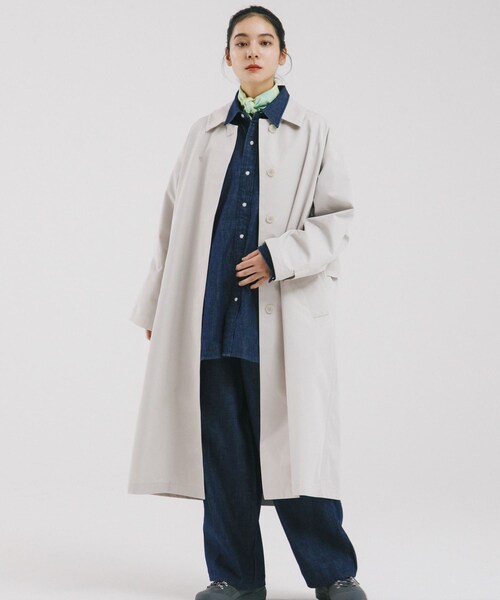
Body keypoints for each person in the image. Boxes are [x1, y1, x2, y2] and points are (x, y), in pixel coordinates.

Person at [128, 5, 367, 600]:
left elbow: (338, 219)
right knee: (224, 455)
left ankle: (334, 573)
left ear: (283, 55)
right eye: (242, 42)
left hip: (282, 317)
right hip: (210, 314)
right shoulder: (205, 133)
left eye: (264, 42)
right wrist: (157, 307)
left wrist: (280, 257)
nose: (253, 51)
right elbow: (170, 225)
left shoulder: (314, 130)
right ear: (228, 56)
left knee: (296, 448)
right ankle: (234, 578)